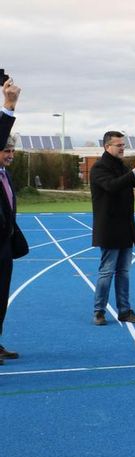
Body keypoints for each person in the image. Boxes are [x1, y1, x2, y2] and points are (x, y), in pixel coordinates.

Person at [90, 131, 135, 325]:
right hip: (109, 228)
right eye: (119, 145)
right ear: (107, 147)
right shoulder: (98, 168)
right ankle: (99, 311)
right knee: (106, 271)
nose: (123, 148)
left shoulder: (120, 166)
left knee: (124, 272)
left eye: (123, 144)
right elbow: (113, 186)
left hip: (126, 227)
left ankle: (124, 310)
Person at [0, 134, 27, 363]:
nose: (10, 155)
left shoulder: (6, 175)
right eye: (6, 150)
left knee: (1, 297)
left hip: (5, 246)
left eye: (12, 151)